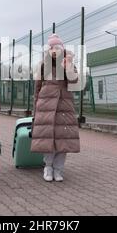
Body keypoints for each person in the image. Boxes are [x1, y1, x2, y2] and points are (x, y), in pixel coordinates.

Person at [31, 34, 80, 182]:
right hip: (45, 106)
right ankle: (48, 167)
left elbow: (75, 82)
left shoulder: (68, 62)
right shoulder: (42, 65)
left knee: (62, 139)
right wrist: (36, 107)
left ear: (62, 49)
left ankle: (59, 169)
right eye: (51, 47)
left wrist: (68, 67)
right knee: (48, 139)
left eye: (57, 47)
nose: (53, 50)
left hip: (63, 106)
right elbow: (37, 88)